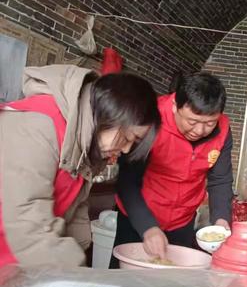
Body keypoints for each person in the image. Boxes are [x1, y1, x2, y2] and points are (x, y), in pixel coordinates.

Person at [0, 64, 160, 267]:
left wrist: (82, 254)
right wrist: (76, 278)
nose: (126, 150)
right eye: (127, 137)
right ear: (110, 116)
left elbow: (76, 210)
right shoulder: (39, 126)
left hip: (25, 261)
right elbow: (25, 225)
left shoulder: (85, 142)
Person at [113, 72, 233, 261]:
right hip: (138, 218)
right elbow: (128, 180)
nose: (200, 131)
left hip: (182, 222)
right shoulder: (151, 119)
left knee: (173, 285)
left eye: (210, 123)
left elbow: (220, 180)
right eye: (192, 122)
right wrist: (147, 226)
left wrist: (221, 219)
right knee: (126, 284)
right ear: (175, 106)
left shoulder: (223, 130)